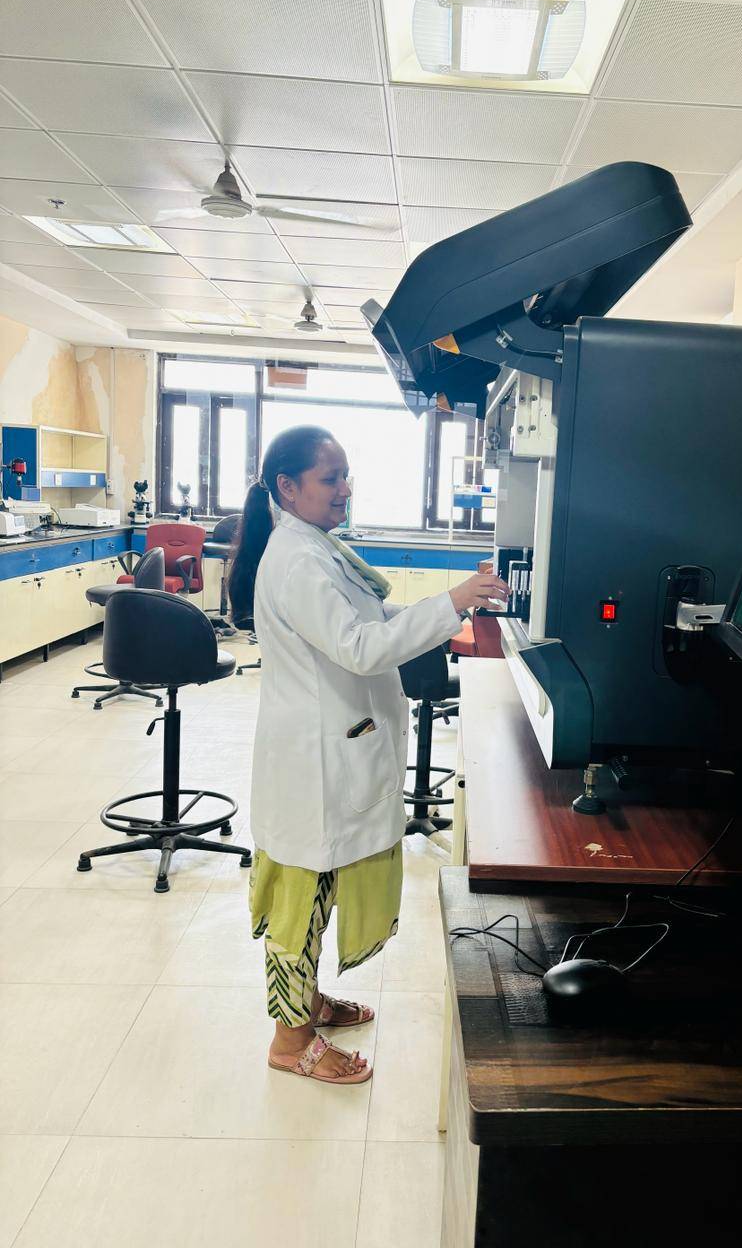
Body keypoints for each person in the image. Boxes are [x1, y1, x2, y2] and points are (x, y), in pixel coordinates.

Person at [229, 424, 508, 1085]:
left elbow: (371, 622)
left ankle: (306, 1004)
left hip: (328, 752)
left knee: (320, 890)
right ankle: (290, 1042)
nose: (344, 489)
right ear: (288, 487)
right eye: (330, 479)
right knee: (301, 900)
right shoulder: (297, 561)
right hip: (312, 767)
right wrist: (451, 604)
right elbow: (360, 647)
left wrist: (447, 608)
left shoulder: (316, 547)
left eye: (345, 476)